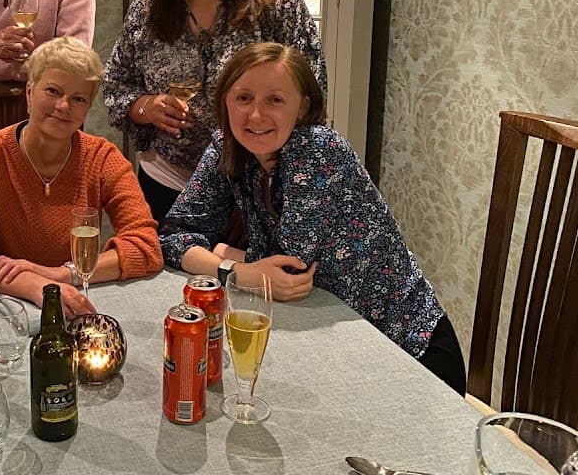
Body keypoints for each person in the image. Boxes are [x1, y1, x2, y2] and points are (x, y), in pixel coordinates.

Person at [158, 42, 466, 394]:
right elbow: (172, 236)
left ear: (302, 107)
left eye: (275, 100)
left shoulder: (318, 150)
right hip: (337, 342)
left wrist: (225, 252)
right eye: (243, 98)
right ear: (224, 101)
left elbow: (289, 274)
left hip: (408, 348)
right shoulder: (226, 147)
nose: (255, 116)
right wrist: (234, 268)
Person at [102, 0, 326, 223]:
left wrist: (269, 179)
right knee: (167, 277)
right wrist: (146, 106)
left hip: (255, 185)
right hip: (168, 183)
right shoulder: (147, 9)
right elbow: (115, 86)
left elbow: (311, 93)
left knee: (247, 277)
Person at [0, 36, 163, 318]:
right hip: (5, 308)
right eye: (53, 91)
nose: (63, 106)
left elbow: (147, 249)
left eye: (78, 99)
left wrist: (59, 275)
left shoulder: (102, 158)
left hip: (75, 302)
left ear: (87, 108)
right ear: (29, 92)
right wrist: (36, 284)